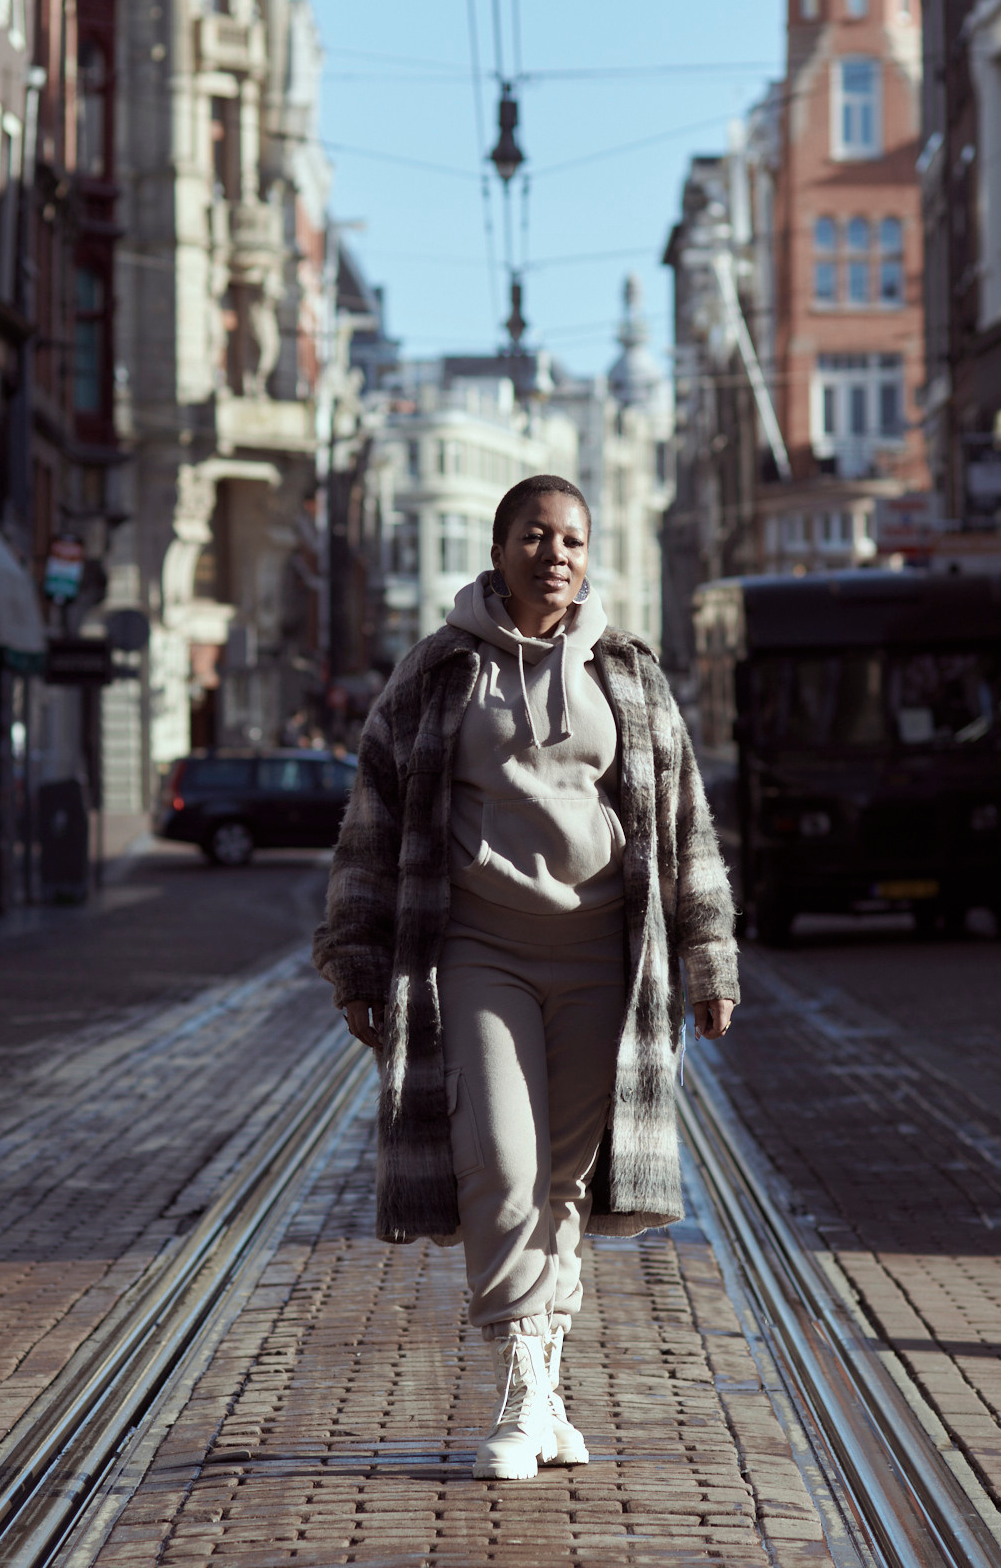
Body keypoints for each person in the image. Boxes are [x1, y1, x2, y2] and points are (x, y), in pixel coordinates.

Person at [313, 474, 739, 1482]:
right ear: (498, 548)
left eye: (573, 540)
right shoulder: (437, 671)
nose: (555, 553)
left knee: (561, 1180)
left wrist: (708, 956)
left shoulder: (629, 672)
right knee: (500, 1166)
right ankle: (516, 1384)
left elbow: (684, 825)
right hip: (477, 952)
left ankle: (544, 1375)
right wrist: (357, 957)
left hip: (603, 959)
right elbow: (370, 817)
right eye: (535, 536)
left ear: (589, 557)